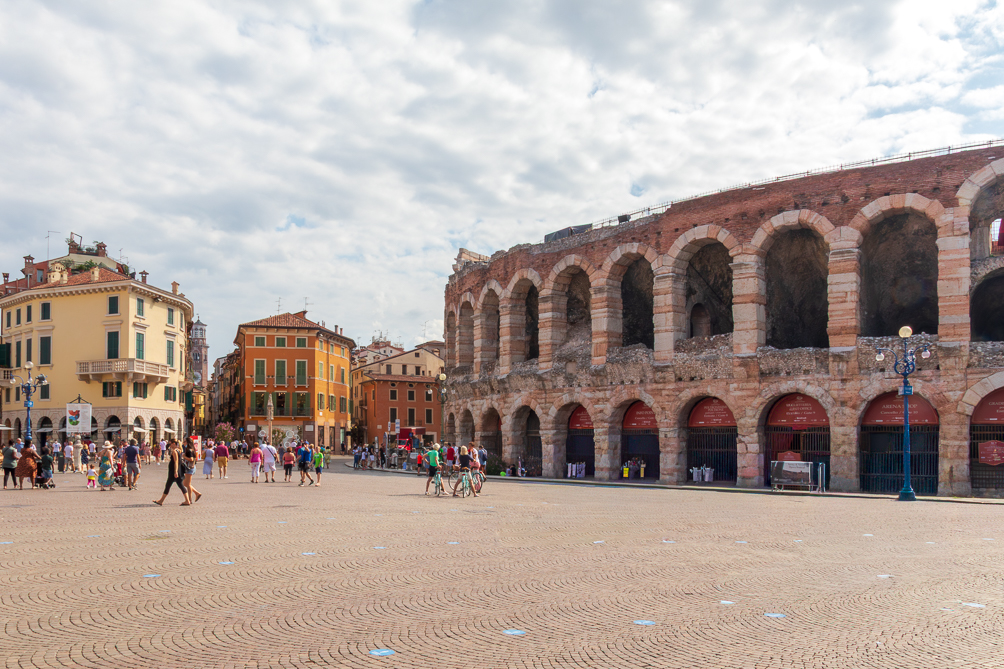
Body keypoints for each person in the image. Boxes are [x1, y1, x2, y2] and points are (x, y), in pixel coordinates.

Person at [153, 440, 190, 506]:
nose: (169, 445)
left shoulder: (174, 451)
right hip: (177, 470)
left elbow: (176, 461)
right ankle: (187, 500)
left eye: (170, 444)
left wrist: (175, 471)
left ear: (173, 444)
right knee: (177, 485)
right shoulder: (179, 450)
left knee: (170, 485)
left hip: (173, 471)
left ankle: (161, 501)